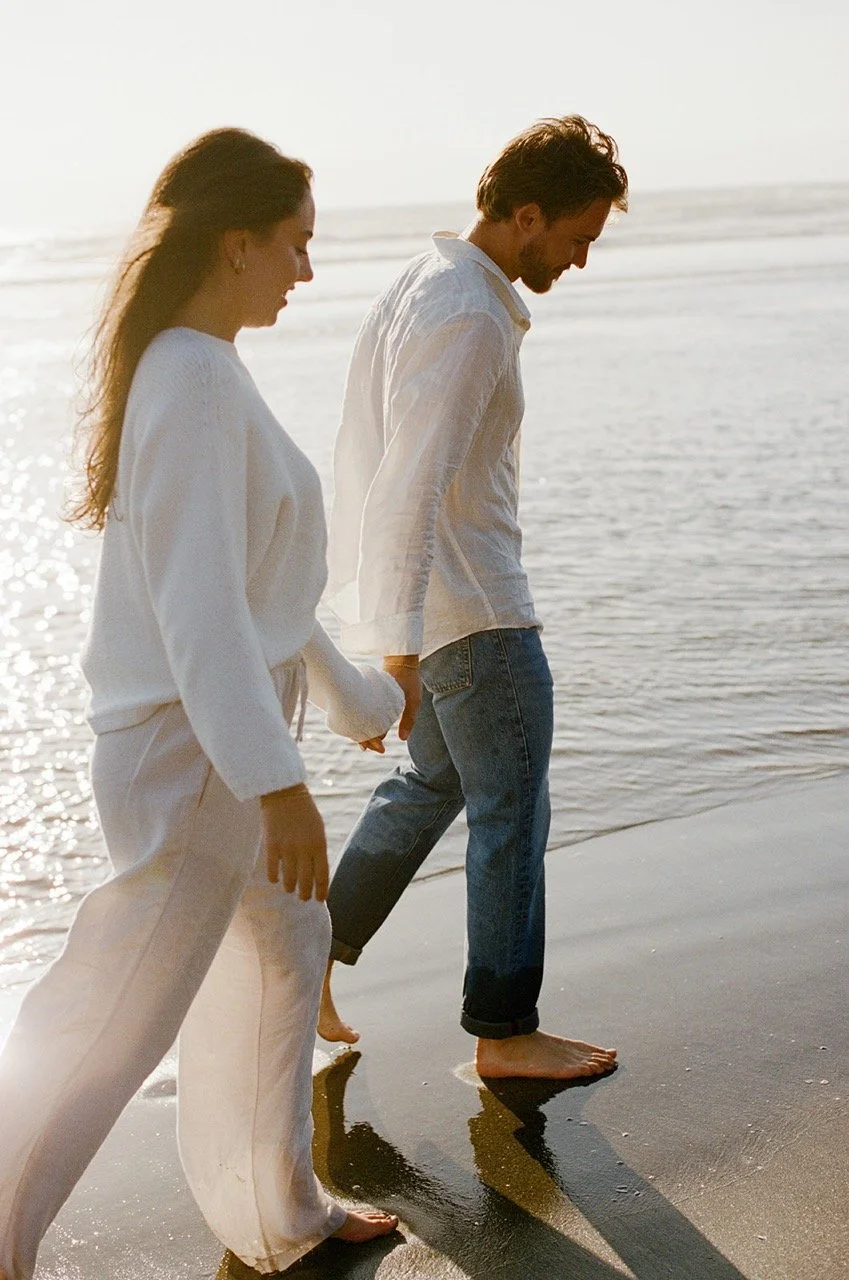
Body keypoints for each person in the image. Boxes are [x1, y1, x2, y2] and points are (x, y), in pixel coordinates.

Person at [0, 128, 403, 1280]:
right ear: (236, 244)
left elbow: (260, 594)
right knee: (106, 1029)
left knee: (291, 942)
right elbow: (199, 613)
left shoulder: (203, 370)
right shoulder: (189, 376)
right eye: (294, 245)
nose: (305, 272)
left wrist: (357, 695)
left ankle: (280, 1210)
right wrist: (277, 784)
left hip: (216, 749)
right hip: (193, 765)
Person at [320, 116, 628, 1081]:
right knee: (511, 813)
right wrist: (396, 649)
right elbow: (407, 481)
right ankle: (504, 1031)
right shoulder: (469, 312)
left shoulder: (428, 280)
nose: (579, 261)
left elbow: (374, 465)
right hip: (478, 615)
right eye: (575, 237)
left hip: (440, 607)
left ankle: (307, 962)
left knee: (433, 787)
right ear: (525, 215)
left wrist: (396, 630)